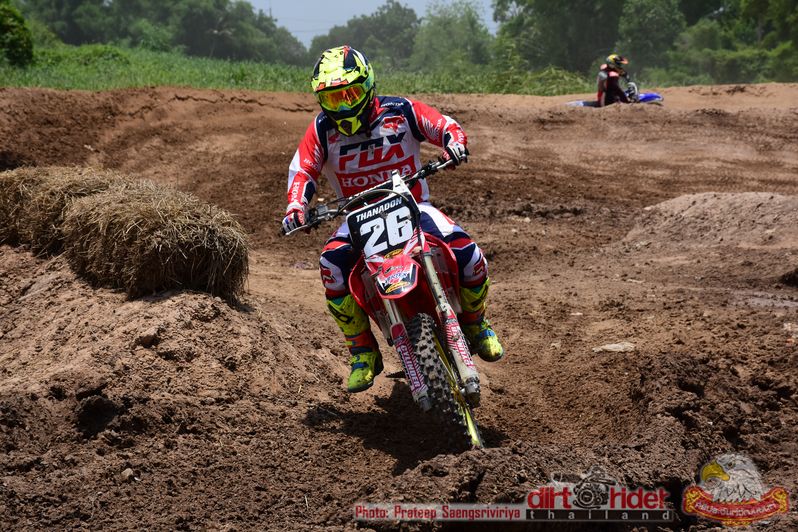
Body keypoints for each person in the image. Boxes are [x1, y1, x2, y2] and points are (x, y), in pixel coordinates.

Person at [282, 45, 504, 393]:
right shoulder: (322, 129)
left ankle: (476, 323)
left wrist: (454, 142)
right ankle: (362, 352)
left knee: (468, 252)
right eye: (332, 99)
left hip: (412, 204)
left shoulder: (400, 110)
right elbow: (302, 171)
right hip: (357, 215)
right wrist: (296, 206)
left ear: (368, 85)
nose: (343, 107)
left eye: (349, 94)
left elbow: (442, 125)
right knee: (331, 266)